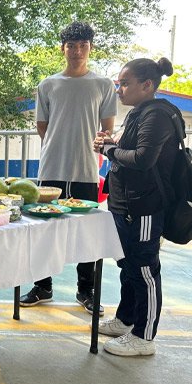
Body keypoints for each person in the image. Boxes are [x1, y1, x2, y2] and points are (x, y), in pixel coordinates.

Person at [19, 21, 117, 315]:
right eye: (71, 46)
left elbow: (106, 130)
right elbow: (42, 129)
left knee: (85, 233)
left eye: (83, 45)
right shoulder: (48, 85)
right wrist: (61, 146)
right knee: (43, 230)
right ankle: (43, 286)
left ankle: (85, 290)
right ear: (62, 48)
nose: (77, 51)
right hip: (51, 170)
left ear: (90, 48)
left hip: (87, 169)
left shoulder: (103, 85)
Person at [92, 57, 175, 356]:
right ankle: (126, 319)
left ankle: (144, 336)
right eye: (119, 83)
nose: (119, 90)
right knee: (127, 267)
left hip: (144, 208)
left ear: (147, 85)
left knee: (144, 269)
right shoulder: (140, 113)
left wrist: (109, 149)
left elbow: (142, 159)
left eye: (125, 84)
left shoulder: (157, 115)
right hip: (124, 206)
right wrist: (112, 144)